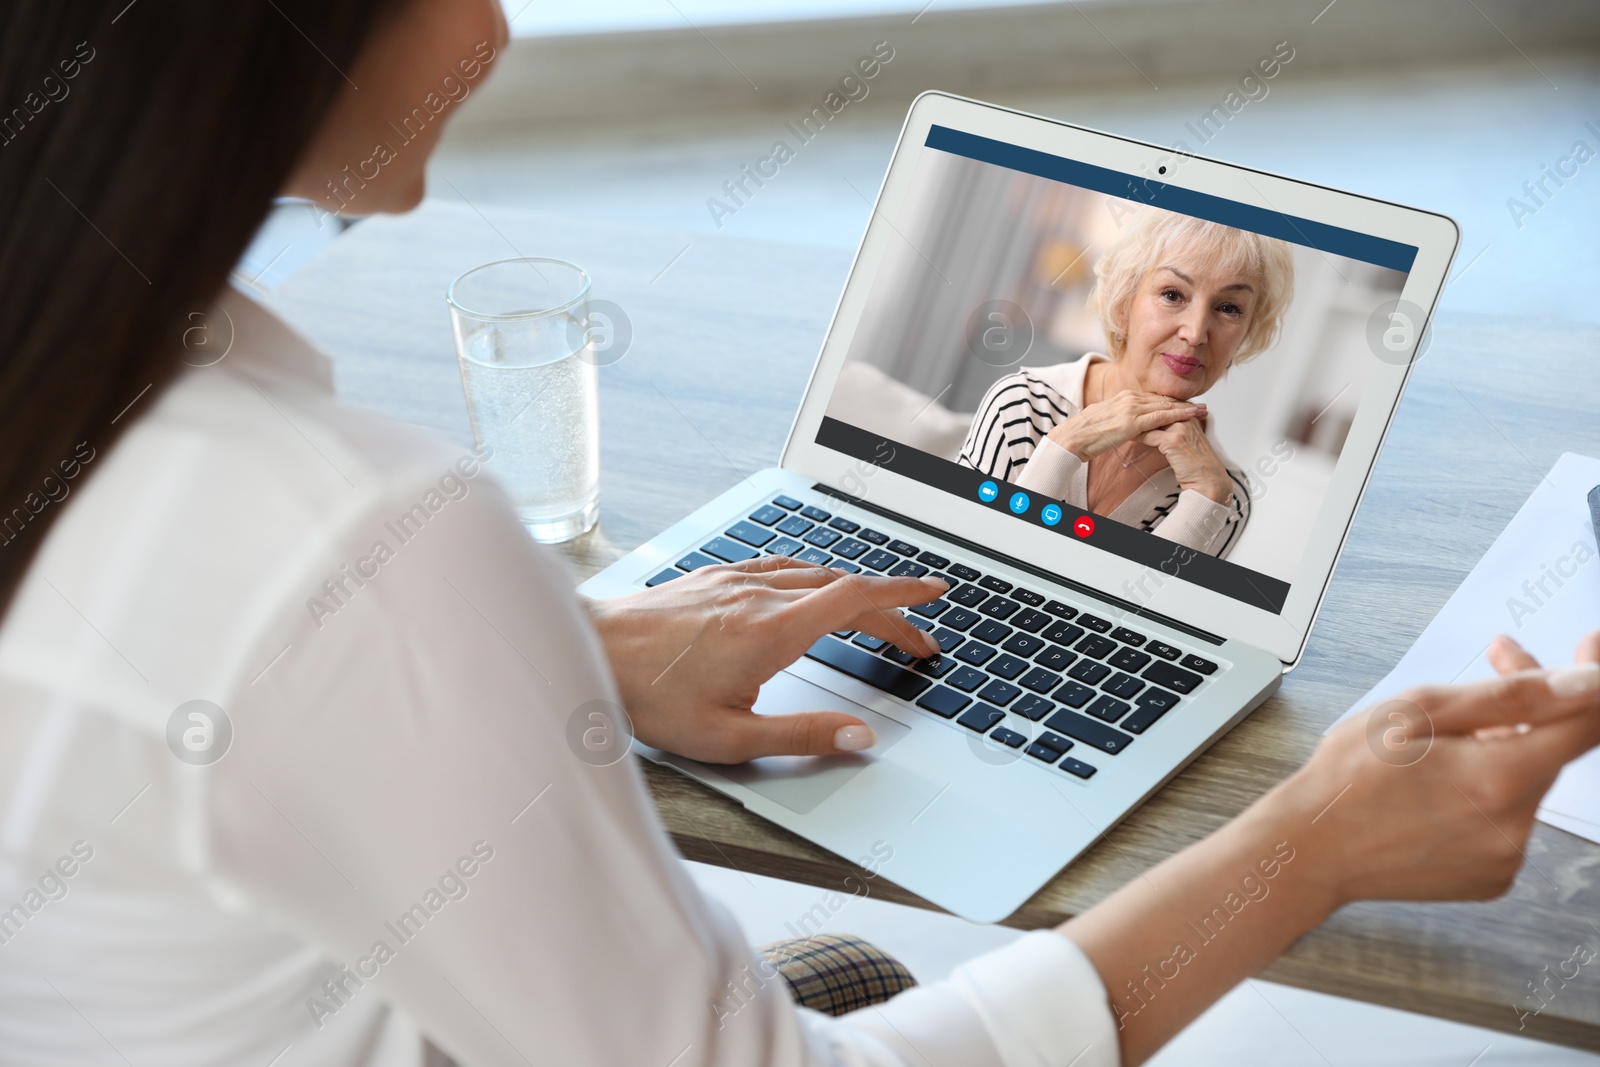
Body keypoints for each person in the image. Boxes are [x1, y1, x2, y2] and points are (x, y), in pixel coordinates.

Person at [0, 3, 1596, 1065]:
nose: (492, 27)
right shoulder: (359, 542)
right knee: (866, 972)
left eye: (1231, 311)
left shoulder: (119, 428)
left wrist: (559, 657)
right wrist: (1306, 849)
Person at [958, 210, 1296, 558]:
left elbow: (1130, 612)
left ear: (1247, 332)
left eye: (1228, 307)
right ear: (1124, 302)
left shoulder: (1226, 496)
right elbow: (960, 568)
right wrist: (1062, 449)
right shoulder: (1023, 404)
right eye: (1172, 295)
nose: (1195, 333)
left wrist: (1204, 502)